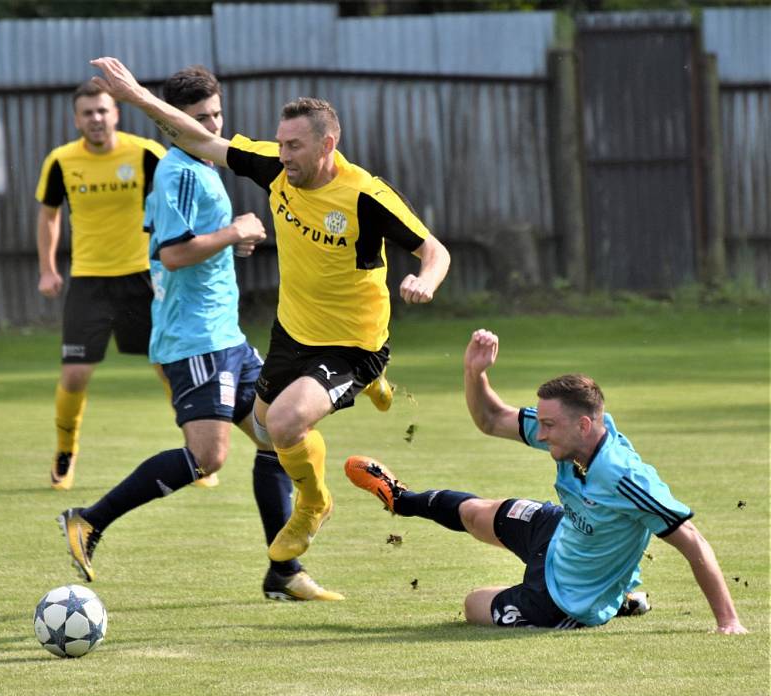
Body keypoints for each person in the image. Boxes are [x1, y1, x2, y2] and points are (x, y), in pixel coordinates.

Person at [88, 57, 451, 567]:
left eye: (294, 146)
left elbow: (434, 250)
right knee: (265, 435)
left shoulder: (365, 196)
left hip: (352, 343)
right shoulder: (275, 168)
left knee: (282, 424)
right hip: (291, 336)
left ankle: (314, 504)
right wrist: (138, 98)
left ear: (328, 145)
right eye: (280, 144)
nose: (283, 155)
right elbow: (200, 140)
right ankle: (356, 412)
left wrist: (424, 279)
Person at [58, 66, 342, 601]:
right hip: (194, 339)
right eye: (199, 119)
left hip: (226, 334)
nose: (212, 125)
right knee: (208, 458)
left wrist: (228, 243)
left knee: (277, 437)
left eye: (216, 114)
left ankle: (284, 572)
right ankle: (88, 521)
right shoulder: (178, 172)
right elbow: (170, 252)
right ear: (174, 124)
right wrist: (233, 231)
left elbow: (188, 244)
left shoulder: (206, 165)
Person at [345, 329, 747, 634]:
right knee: (474, 513)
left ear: (584, 424)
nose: (540, 434)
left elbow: (691, 538)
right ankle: (401, 499)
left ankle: (612, 602)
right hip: (558, 530)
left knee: (473, 605)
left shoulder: (627, 478)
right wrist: (474, 373)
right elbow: (490, 420)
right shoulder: (573, 434)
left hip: (563, 600)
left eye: (549, 425)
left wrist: (727, 622)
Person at [36, 81, 168, 490]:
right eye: (88, 112)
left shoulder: (146, 153)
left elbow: (178, 200)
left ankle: (199, 452)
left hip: (140, 278)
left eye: (102, 111)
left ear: (117, 114)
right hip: (89, 281)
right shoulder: (61, 161)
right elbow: (49, 215)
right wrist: (47, 267)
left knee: (169, 367)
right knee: (74, 374)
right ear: (77, 119)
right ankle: (65, 451)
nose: (96, 118)